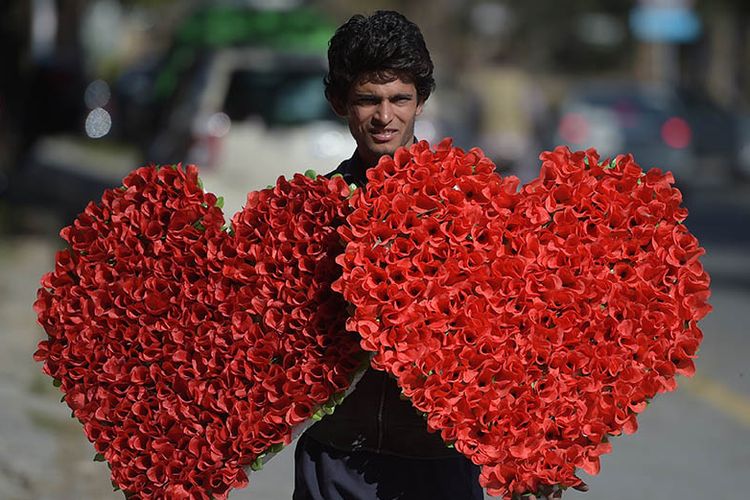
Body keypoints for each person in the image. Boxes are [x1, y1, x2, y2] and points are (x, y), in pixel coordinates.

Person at [292, 11, 485, 500]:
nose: (384, 117)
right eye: (367, 100)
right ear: (340, 103)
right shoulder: (313, 212)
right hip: (335, 458)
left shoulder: (466, 203)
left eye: (400, 99)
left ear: (420, 102)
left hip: (436, 463)